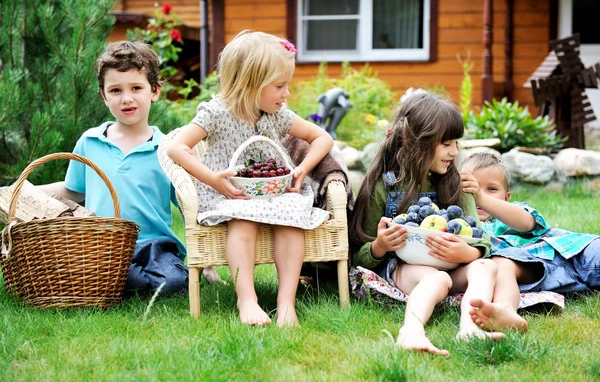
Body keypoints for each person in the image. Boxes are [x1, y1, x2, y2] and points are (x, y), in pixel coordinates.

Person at [166, 30, 333, 327]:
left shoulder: (276, 115)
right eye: (280, 86)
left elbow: (321, 138)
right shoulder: (217, 113)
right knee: (244, 220)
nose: (287, 93)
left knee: (292, 219)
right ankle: (247, 300)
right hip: (230, 193)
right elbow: (176, 147)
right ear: (250, 83)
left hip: (270, 192)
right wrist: (214, 179)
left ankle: (285, 304)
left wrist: (302, 169)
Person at [39, 41, 221, 297]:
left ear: (154, 91)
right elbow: (73, 191)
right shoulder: (90, 141)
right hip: (103, 244)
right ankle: (122, 279)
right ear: (103, 96)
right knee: (104, 270)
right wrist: (25, 190)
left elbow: (188, 205)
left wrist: (208, 260)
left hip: (154, 246)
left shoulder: (167, 148)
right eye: (115, 90)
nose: (126, 98)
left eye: (136, 87)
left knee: (175, 283)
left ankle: (125, 282)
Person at [349, 92, 501, 357]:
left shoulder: (458, 184)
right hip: (405, 270)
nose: (454, 152)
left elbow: (481, 240)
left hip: (452, 268)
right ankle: (411, 330)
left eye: (455, 143)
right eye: (445, 143)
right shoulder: (384, 187)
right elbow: (358, 253)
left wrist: (469, 253)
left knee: (487, 267)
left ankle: (470, 328)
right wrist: (380, 247)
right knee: (436, 278)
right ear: (413, 141)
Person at [460, 152, 600, 332]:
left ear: (506, 197)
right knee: (502, 262)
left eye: (492, 189)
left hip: (573, 250)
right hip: (537, 270)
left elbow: (526, 223)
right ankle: (504, 310)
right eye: (473, 189)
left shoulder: (514, 210)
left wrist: (480, 197)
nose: (480, 194)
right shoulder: (463, 225)